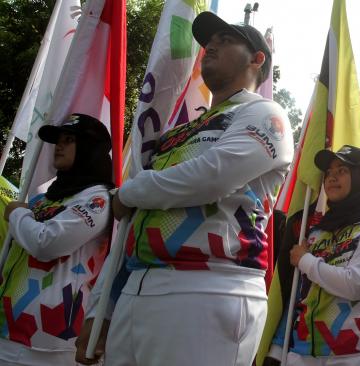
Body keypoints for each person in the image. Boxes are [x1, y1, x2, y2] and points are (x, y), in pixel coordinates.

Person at [75, 12, 293, 366]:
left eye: (227, 39)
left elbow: (213, 177)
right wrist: (101, 308)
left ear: (257, 58)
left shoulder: (266, 114)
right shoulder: (178, 133)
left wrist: (129, 191)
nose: (212, 45)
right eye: (210, 41)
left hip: (209, 287)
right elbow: (136, 221)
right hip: (136, 286)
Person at [0, 114, 114, 365]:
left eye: (69, 140)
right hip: (7, 330)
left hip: (51, 342)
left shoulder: (99, 199)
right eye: (58, 140)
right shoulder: (42, 199)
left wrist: (17, 213)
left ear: (89, 148)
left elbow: (47, 244)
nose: (58, 146)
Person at [277, 145, 360, 365]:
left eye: (342, 170)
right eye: (328, 173)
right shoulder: (316, 231)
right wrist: (278, 348)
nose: (332, 177)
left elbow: (355, 284)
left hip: (359, 354)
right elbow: (299, 295)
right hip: (303, 353)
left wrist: (305, 260)